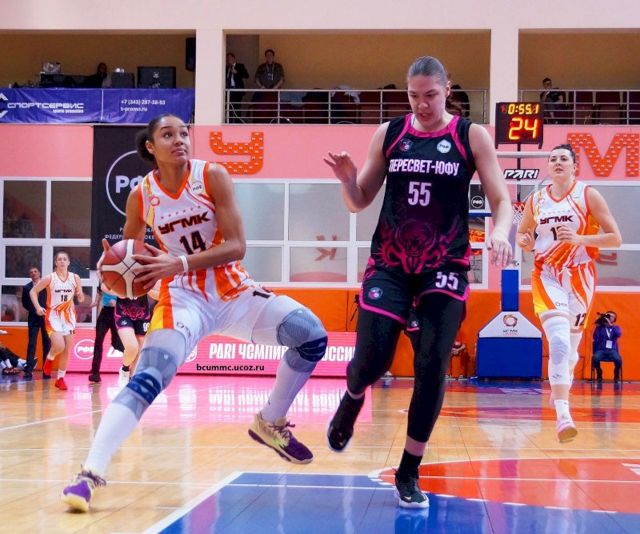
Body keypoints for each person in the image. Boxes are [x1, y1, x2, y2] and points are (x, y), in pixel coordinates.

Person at [62, 113, 328, 512]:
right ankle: (89, 474)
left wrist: (180, 262)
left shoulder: (211, 175)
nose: (179, 140)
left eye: (184, 133)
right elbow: (133, 257)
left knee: (311, 334)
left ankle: (269, 421)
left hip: (233, 291)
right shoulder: (141, 196)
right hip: (183, 299)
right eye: (168, 135)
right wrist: (112, 271)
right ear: (151, 147)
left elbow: (237, 246)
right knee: (148, 376)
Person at [323, 56, 513, 509]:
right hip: (390, 263)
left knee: (431, 366)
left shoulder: (470, 135)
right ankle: (353, 395)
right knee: (371, 361)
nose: (422, 104)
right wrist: (348, 180)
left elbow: (502, 199)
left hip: (444, 263)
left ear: (448, 90)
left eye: (430, 95)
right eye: (414, 96)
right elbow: (359, 201)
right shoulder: (391, 133)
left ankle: (409, 468)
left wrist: (501, 232)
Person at [516, 143, 622, 443]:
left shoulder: (587, 195)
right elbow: (524, 235)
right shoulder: (537, 199)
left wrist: (578, 238)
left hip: (580, 276)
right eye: (553, 159)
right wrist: (524, 241)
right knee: (560, 342)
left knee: (571, 350)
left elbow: (615, 238)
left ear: (575, 166)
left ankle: (563, 383)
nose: (557, 162)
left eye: (564, 158)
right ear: (548, 167)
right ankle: (563, 415)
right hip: (547, 274)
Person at [30, 251, 85, 390]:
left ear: (68, 262)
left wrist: (79, 295)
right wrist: (38, 307)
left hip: (69, 316)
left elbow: (81, 299)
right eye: (59, 259)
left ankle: (60, 378)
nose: (62, 261)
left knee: (67, 349)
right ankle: (50, 358)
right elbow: (33, 291)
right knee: (59, 345)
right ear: (56, 263)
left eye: (64, 259)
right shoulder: (50, 278)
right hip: (53, 315)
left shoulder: (75, 278)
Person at [113, 295, 151, 388]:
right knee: (132, 347)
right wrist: (117, 291)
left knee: (140, 351)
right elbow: (104, 288)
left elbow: (158, 294)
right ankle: (125, 370)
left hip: (143, 314)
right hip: (123, 313)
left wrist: (148, 290)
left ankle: (132, 380)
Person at [88, 285, 123, 383]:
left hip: (117, 314)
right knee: (98, 342)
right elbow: (99, 292)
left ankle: (128, 367)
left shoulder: (121, 281)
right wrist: (96, 301)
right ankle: (95, 373)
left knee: (117, 344)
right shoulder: (104, 281)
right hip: (105, 312)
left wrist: (117, 304)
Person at [21, 266, 51, 380]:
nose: (33, 273)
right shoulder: (26, 287)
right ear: (30, 275)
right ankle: (28, 371)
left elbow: (50, 300)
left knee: (47, 344)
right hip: (33, 318)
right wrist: (34, 310)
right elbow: (24, 303)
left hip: (45, 317)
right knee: (31, 344)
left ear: (39, 273)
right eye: (31, 272)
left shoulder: (46, 285)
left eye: (35, 271)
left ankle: (46, 371)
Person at [592, 310, 622, 383]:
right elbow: (595, 337)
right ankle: (599, 373)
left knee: (618, 360)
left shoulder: (616, 327)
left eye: (611, 316)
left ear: (614, 319)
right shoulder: (600, 328)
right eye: (608, 316)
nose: (609, 317)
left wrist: (610, 325)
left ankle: (616, 374)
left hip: (612, 350)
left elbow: (618, 334)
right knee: (595, 358)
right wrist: (597, 327)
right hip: (601, 349)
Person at [226, 52, 249, 123]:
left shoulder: (240, 66)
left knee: (237, 107)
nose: (228, 59)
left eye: (229, 58)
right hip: (229, 91)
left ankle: (237, 122)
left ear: (233, 58)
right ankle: (229, 122)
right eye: (227, 58)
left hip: (237, 91)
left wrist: (236, 72)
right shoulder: (227, 68)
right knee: (229, 107)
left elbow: (246, 75)